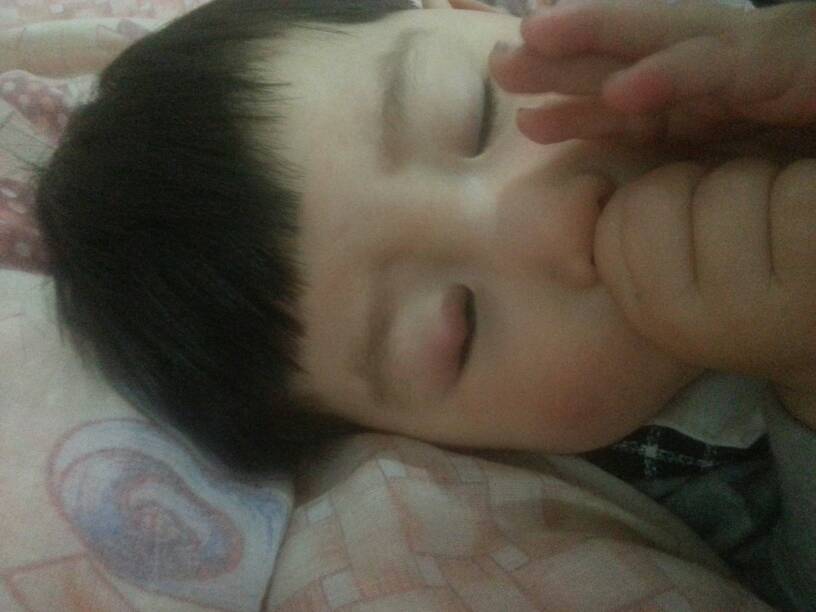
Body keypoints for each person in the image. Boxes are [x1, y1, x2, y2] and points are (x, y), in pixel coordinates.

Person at [32, 0, 815, 607]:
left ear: (473, 12)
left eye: (474, 113)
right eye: (460, 327)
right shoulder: (679, 507)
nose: (554, 219)